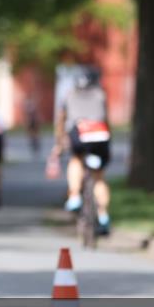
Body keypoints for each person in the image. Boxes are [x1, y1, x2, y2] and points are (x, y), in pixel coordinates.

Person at [49, 68, 112, 235]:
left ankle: (75, 195)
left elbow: (61, 120)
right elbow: (106, 118)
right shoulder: (101, 94)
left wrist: (59, 143)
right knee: (99, 177)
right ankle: (103, 215)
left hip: (79, 131)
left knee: (76, 160)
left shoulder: (69, 95)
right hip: (100, 133)